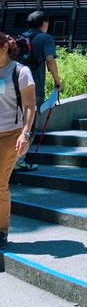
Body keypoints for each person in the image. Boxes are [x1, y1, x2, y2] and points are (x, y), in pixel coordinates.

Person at [0, 32, 36, 249]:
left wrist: (25, 133)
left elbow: (29, 105)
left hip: (10, 134)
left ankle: (1, 230)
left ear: (4, 47)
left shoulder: (20, 72)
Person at [14, 11, 63, 171]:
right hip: (34, 87)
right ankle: (19, 160)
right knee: (29, 124)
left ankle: (9, 159)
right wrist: (57, 80)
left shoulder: (20, 37)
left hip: (14, 86)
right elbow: (50, 59)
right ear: (45, 23)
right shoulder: (45, 38)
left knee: (13, 122)